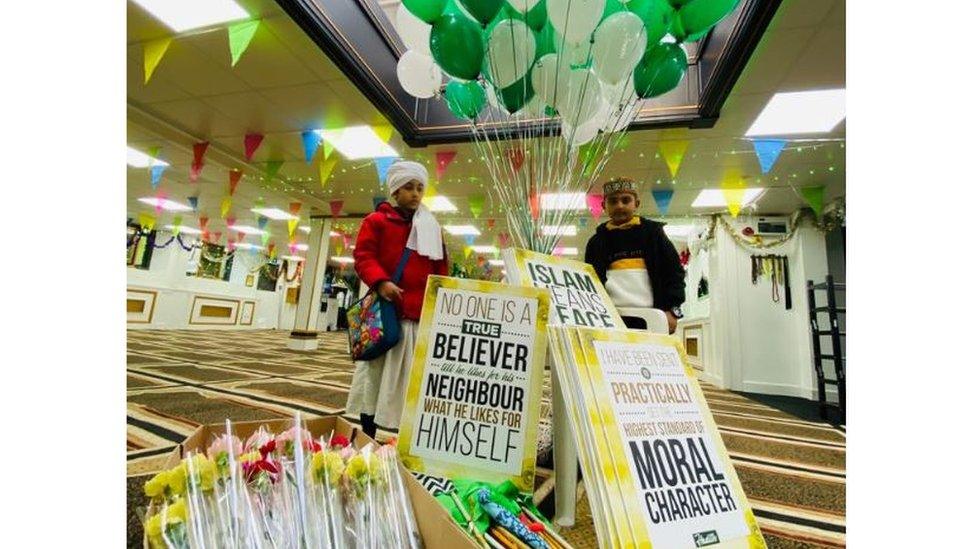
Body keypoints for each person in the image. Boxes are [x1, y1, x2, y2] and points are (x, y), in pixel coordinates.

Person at [345, 160, 448, 438]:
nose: (415, 194)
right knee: (375, 377)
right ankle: (367, 429)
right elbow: (363, 257)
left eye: (420, 188)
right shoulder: (376, 221)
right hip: (385, 314)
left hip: (416, 317)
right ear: (395, 192)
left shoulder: (432, 227)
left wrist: (441, 303)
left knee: (407, 380)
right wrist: (381, 282)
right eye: (409, 187)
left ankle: (402, 432)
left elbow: (441, 270)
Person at [584, 177, 686, 333]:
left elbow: (674, 272)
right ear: (604, 206)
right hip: (610, 319)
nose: (619, 205)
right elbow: (589, 283)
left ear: (636, 204)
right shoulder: (596, 242)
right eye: (613, 201)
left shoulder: (654, 234)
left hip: (653, 318)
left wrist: (673, 311)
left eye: (626, 200)